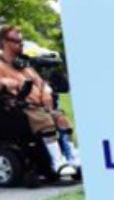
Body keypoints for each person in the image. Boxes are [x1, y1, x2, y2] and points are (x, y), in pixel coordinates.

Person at [0, 25, 79, 177]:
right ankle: (58, 162)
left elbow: (41, 82)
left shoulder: (24, 65)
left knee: (61, 119)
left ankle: (72, 158)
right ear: (4, 42)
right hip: (17, 109)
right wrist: (9, 82)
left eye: (21, 40)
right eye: (17, 40)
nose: (21, 43)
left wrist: (46, 92)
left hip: (41, 106)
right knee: (44, 120)